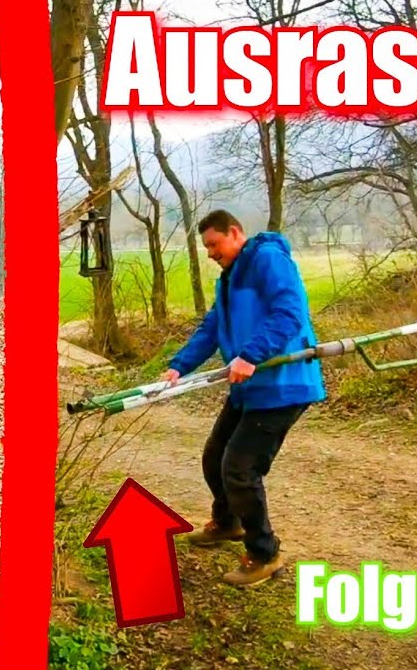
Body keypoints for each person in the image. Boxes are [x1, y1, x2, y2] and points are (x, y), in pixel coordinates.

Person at [161, 209, 326, 586]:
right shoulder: (229, 279)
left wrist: (251, 355)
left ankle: (264, 554)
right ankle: (227, 523)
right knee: (214, 457)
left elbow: (290, 313)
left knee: (239, 468)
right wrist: (179, 366)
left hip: (282, 386)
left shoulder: (268, 259)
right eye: (206, 248)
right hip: (248, 388)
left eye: (214, 244)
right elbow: (213, 327)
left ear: (234, 233)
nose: (210, 253)